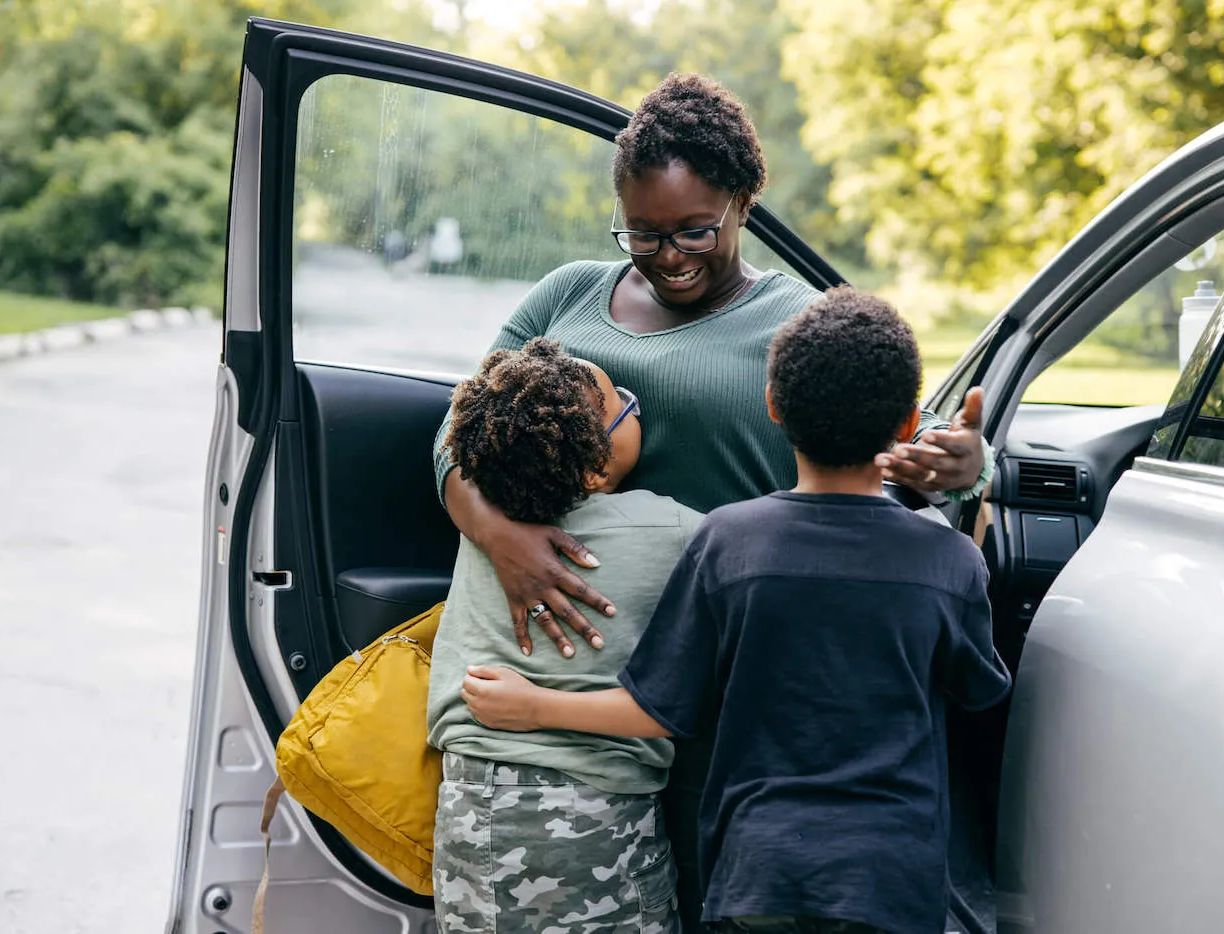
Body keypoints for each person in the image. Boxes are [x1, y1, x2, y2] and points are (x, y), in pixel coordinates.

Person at [432, 73, 994, 930]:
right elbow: (459, 429)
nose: (669, 254)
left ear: (743, 203)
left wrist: (958, 473)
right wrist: (500, 534)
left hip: (721, 675)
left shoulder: (800, 323)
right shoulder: (566, 294)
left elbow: (865, 472)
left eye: (695, 228)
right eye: (642, 234)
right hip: (568, 669)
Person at [460, 288, 1014, 934]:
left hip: (758, 871)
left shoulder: (728, 540)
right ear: (906, 421)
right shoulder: (947, 563)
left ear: (772, 405)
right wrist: (974, 507)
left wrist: (535, 706)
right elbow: (979, 691)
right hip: (889, 878)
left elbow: (662, 706)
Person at [427, 337, 702, 934]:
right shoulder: (672, 529)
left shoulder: (486, 532)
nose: (634, 402)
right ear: (596, 467)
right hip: (595, 808)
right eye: (617, 400)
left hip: (470, 800)